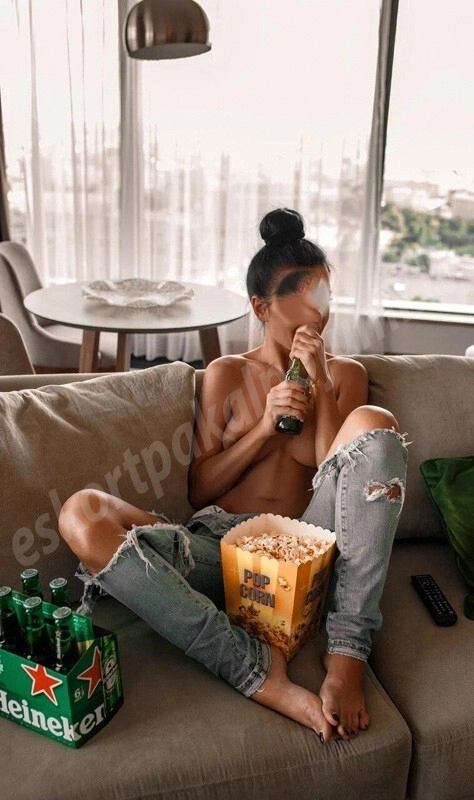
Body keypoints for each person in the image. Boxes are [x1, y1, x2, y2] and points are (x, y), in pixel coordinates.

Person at [58, 208, 408, 744]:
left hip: (308, 552)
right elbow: (201, 488)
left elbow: (336, 473)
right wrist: (264, 428)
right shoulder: (228, 373)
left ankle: (347, 656)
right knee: (81, 513)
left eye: (324, 300)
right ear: (262, 307)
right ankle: (255, 671)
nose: (317, 316)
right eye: (303, 302)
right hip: (223, 552)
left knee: (374, 423)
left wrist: (319, 382)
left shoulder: (345, 375)